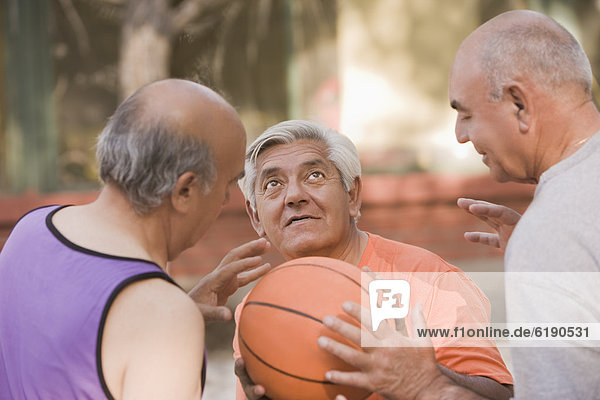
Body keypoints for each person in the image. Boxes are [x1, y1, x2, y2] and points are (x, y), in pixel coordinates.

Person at [319, 9, 600, 399]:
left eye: (466, 114)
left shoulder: (553, 233)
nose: (460, 135)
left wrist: (424, 384)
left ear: (519, 104)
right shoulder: (565, 226)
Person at [0, 79, 271, 399]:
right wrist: (169, 317)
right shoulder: (162, 316)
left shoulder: (31, 230)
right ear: (185, 190)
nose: (226, 199)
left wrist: (172, 310)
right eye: (228, 184)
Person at [232, 120, 514, 400]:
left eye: (314, 176)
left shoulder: (427, 280)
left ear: (352, 195)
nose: (294, 196)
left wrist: (424, 377)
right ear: (256, 216)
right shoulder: (256, 310)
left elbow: (501, 396)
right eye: (273, 183)